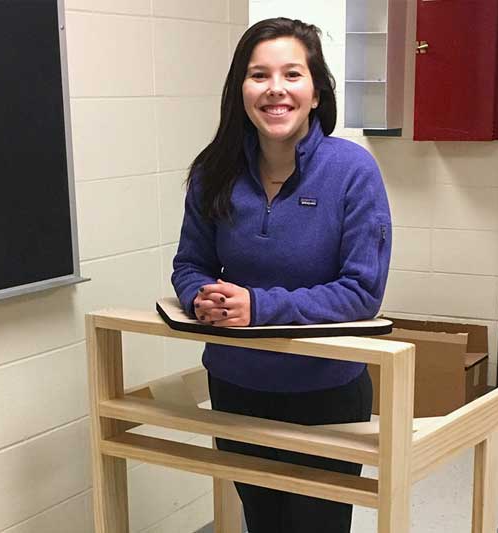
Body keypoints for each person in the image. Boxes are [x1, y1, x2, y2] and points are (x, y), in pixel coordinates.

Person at [171, 17, 391, 533]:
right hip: (235, 384)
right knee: (263, 522)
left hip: (325, 390)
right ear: (240, 91)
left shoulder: (353, 171)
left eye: (292, 74)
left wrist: (258, 307)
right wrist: (200, 294)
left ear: (316, 93)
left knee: (316, 525)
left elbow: (362, 292)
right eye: (258, 75)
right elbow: (190, 262)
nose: (275, 89)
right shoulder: (213, 171)